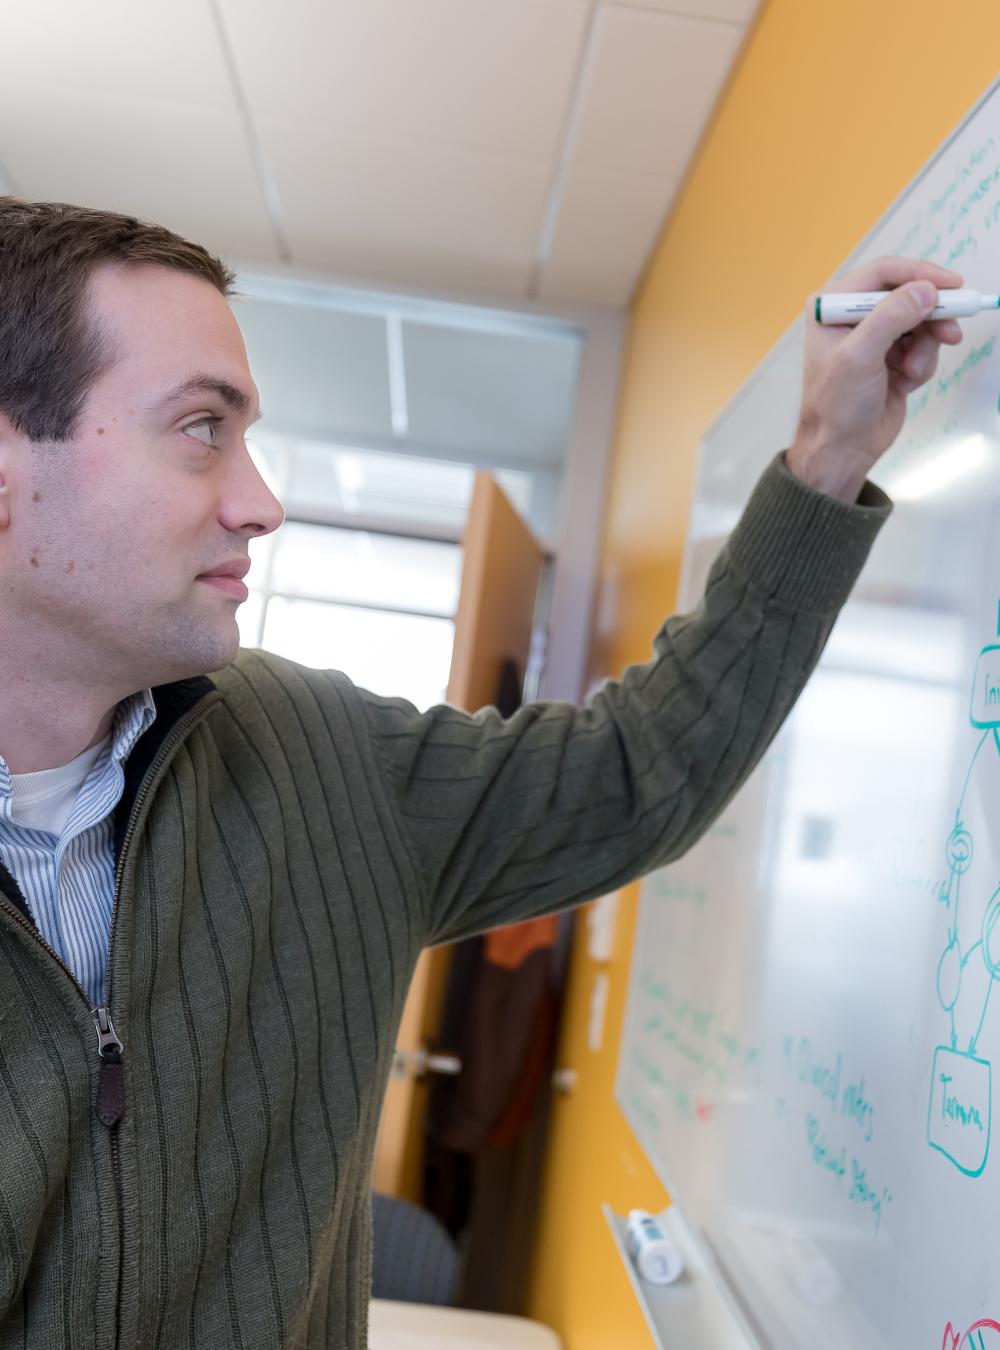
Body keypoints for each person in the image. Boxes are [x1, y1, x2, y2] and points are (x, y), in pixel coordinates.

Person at [0, 197, 964, 1350]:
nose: (261, 503)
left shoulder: (317, 758)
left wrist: (827, 458)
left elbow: (636, 769)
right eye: (203, 427)